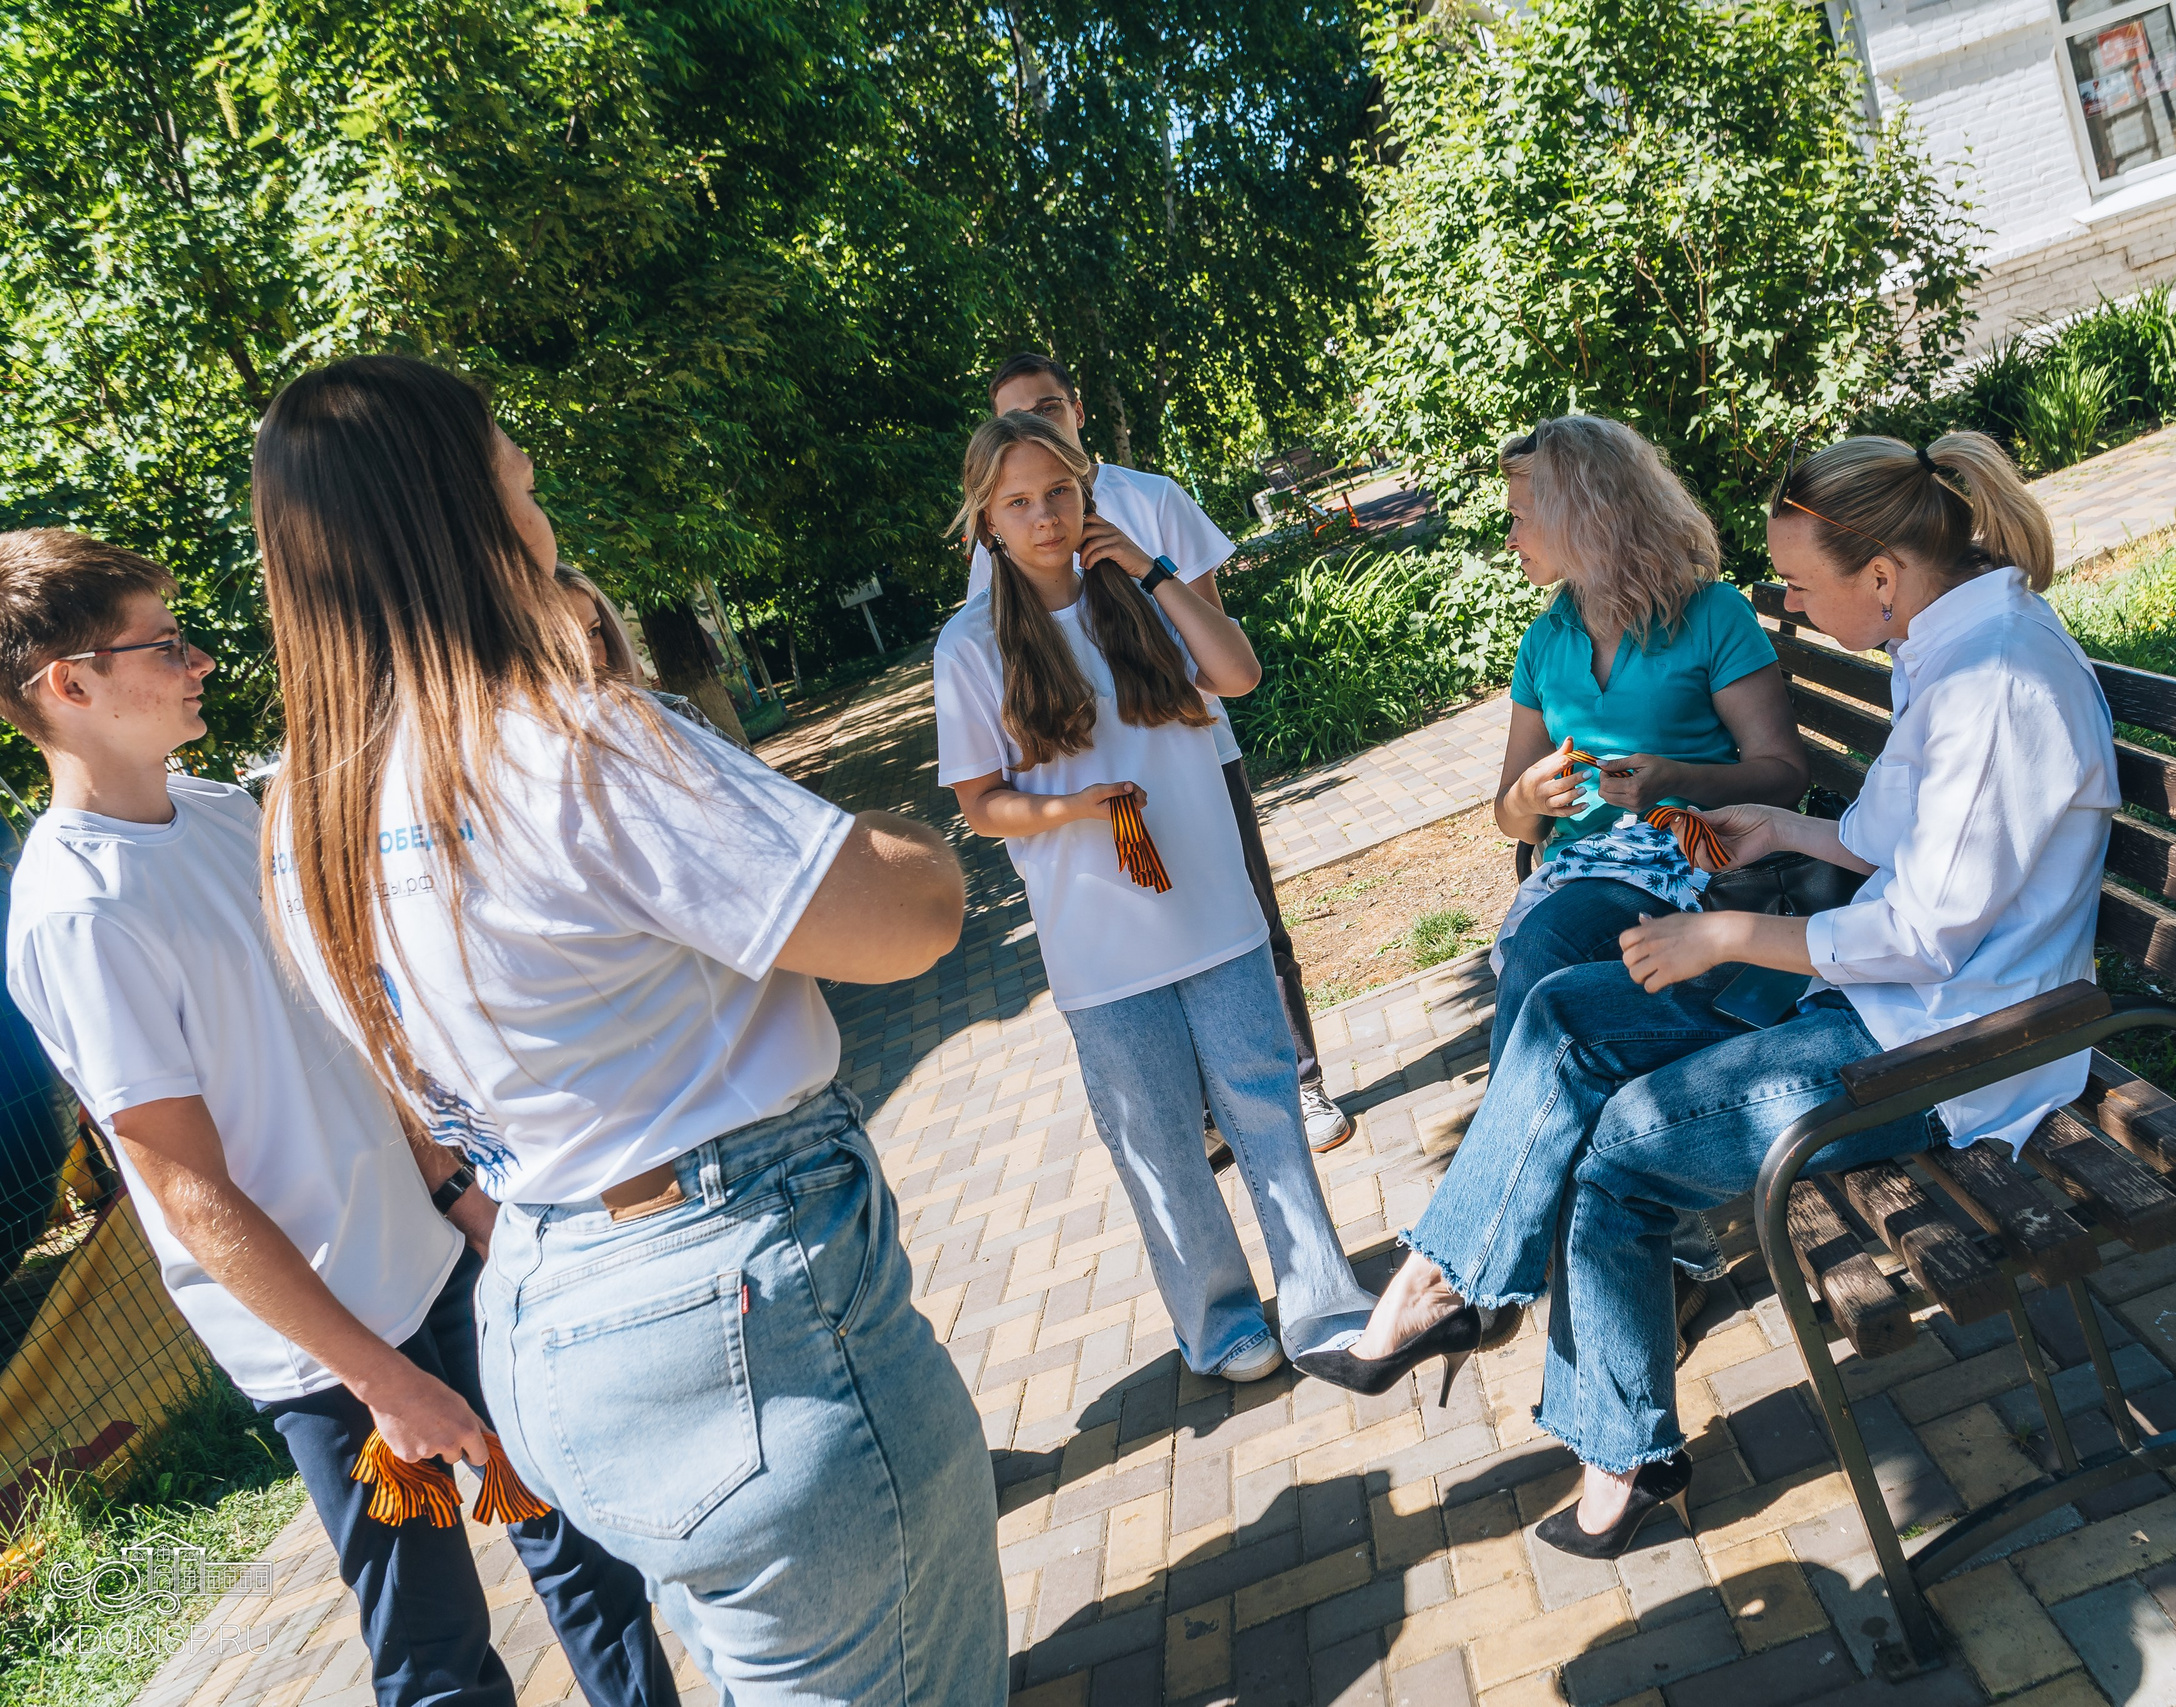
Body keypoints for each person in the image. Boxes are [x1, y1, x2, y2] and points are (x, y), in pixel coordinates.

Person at [251, 355, 1004, 1707]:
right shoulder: (571, 743)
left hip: (545, 1298)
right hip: (738, 1299)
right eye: (519, 479)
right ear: (464, 514)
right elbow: (912, 915)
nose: (541, 509)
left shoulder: (304, 820)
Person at [1305, 431, 2120, 1558]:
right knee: (1560, 1017)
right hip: (1885, 1001)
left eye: (1801, 585)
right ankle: (1454, 1280)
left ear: (1883, 576)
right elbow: (1890, 840)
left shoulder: (1994, 681)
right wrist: (1781, 829)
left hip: (1957, 1046)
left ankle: (1618, 1450)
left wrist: (1726, 933)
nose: (1788, 605)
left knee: (1622, 1152)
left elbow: (1926, 933)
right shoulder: (1951, 640)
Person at [0, 528, 679, 1707]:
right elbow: (185, 1188)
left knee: (587, 1548)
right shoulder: (79, 910)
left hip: (433, 1262)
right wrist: (377, 1379)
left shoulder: (222, 812)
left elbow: (346, 1033)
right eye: (165, 643)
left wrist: (453, 1190)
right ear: (71, 684)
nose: (201, 660)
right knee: (440, 1654)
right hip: (330, 1353)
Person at [934, 409, 1374, 1385]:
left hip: (1214, 910)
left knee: (1266, 1110)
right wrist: (1070, 808)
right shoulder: (969, 645)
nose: (1044, 516)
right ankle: (1219, 1326)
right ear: (987, 520)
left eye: (1059, 492)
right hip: (1098, 943)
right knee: (1161, 1144)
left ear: (1085, 491)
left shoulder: (1142, 595)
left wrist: (1151, 568)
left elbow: (1237, 674)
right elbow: (980, 803)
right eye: (1018, 501)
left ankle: (1322, 1299)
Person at [969, 354, 1351, 1158]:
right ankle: (1211, 1111)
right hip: (1099, 782)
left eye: (1046, 409)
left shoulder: (1150, 497)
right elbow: (1005, 653)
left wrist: (1147, 574)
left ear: (1076, 410)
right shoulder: (1002, 542)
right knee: (1155, 934)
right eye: (1014, 418)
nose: (1032, 428)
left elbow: (1212, 643)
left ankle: (1298, 1080)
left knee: (1249, 919)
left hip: (1194, 746)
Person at [1486, 415, 1807, 1072]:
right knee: (1552, 948)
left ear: (1581, 515)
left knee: (1547, 943)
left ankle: (1507, 1129)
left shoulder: (1711, 614)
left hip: (1693, 863)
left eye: (1520, 517)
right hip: (1577, 873)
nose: (1510, 537)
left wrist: (1675, 779)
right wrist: (1528, 799)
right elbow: (1510, 818)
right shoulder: (1543, 643)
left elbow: (1784, 774)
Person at [556, 567, 745, 747]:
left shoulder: (675, 712)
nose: (588, 657)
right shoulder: (553, 755)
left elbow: (746, 766)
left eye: (593, 632)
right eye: (560, 642)